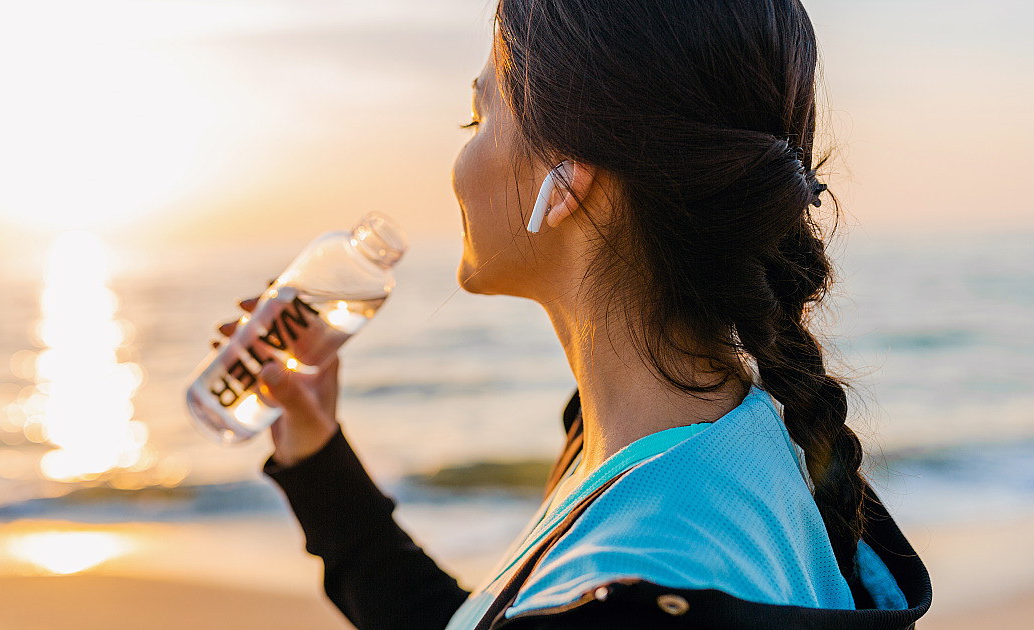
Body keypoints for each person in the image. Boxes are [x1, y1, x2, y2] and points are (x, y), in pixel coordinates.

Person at [226, 1, 932, 628]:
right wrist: (315, 456)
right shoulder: (728, 443)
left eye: (479, 115)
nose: (458, 161)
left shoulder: (640, 580)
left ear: (563, 179)